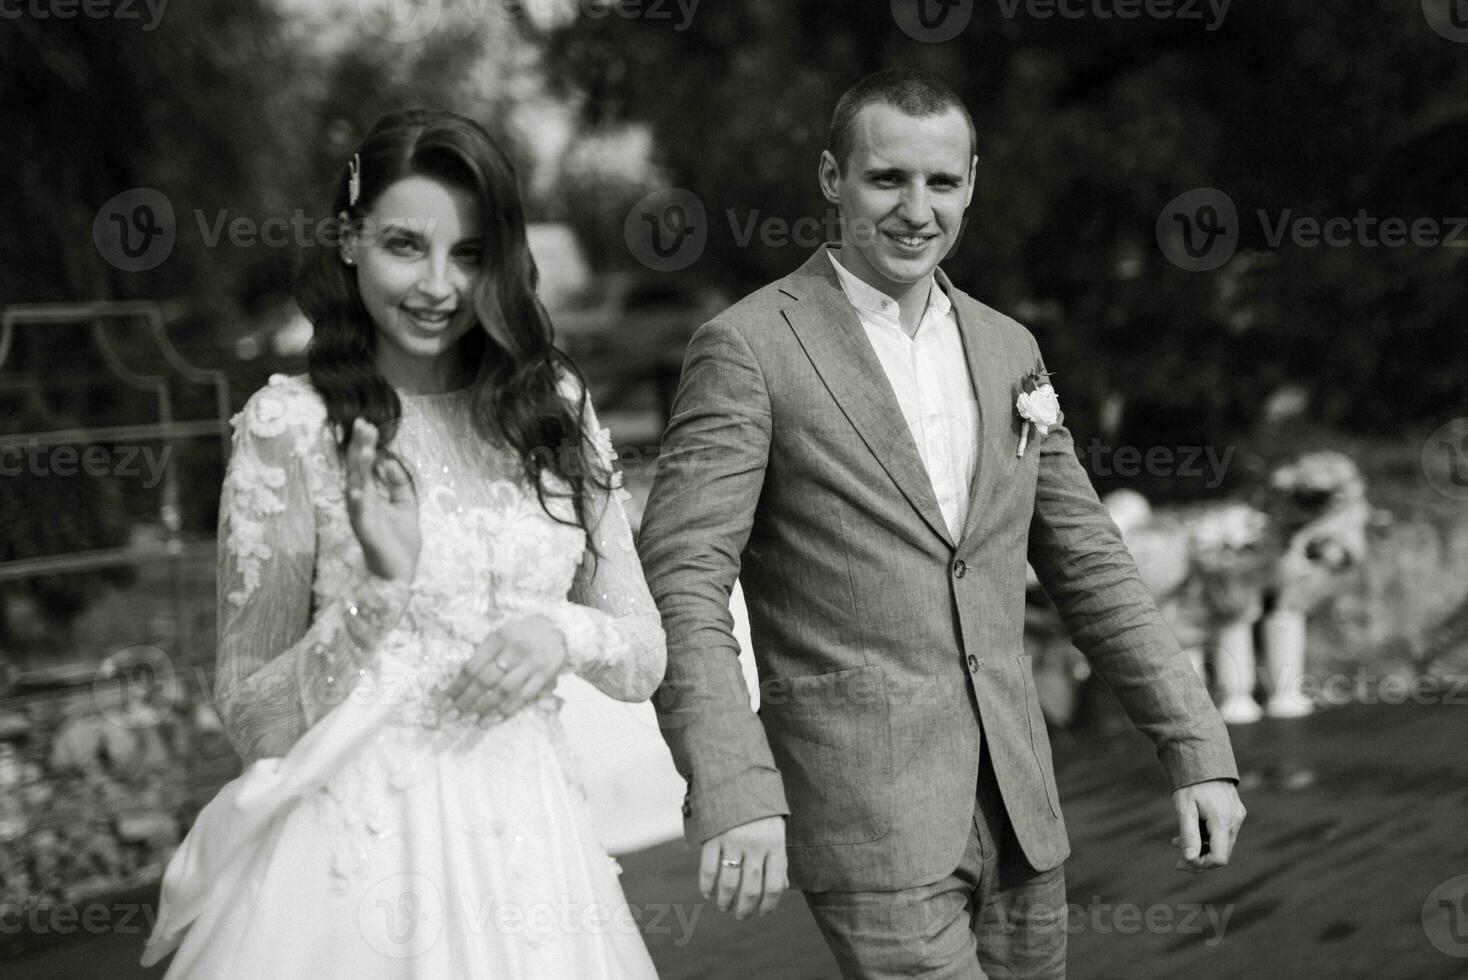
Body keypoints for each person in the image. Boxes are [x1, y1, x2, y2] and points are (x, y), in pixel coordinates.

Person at [637, 68, 1246, 979]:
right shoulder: (749, 348)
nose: (916, 209)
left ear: (972, 183)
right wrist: (732, 782)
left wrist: (1197, 746)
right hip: (867, 815)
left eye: (942, 182)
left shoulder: (1011, 349)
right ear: (832, 178)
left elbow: (1091, 566)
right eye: (887, 179)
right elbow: (682, 581)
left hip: (1022, 806)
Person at [141, 108, 664, 978]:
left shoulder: (552, 405)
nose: (438, 286)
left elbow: (643, 654)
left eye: (468, 253)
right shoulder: (292, 428)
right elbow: (249, 716)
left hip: (537, 857)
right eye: (404, 246)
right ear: (348, 240)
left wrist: (561, 632)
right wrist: (377, 595)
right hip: (358, 862)